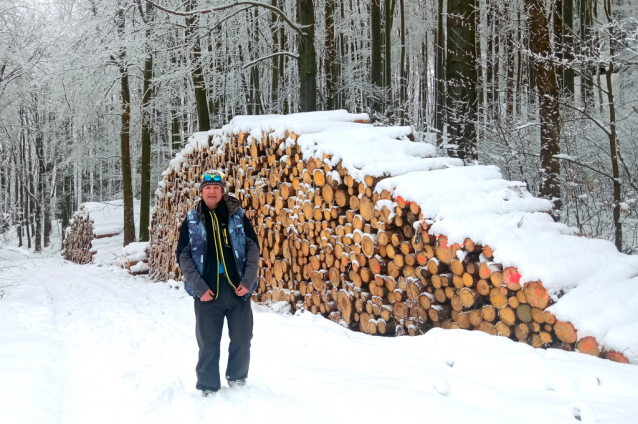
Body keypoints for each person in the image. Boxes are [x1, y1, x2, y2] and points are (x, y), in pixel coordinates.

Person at [176, 170, 260, 396]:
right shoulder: (192, 220)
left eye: (216, 188)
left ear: (222, 191)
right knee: (208, 342)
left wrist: (248, 280)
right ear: (201, 192)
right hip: (207, 293)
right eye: (207, 188)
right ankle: (208, 385)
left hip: (237, 289)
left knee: (242, 338)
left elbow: (253, 248)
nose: (211, 192)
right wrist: (199, 288)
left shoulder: (237, 216)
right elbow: (183, 256)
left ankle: (238, 377)